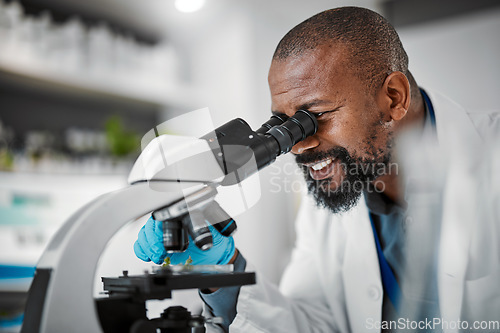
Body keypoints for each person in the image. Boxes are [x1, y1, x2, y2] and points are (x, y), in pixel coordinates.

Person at [134, 7, 500, 333]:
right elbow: (310, 322)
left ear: (394, 98)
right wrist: (223, 270)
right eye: (284, 123)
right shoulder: (330, 194)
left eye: (316, 115)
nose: (298, 144)